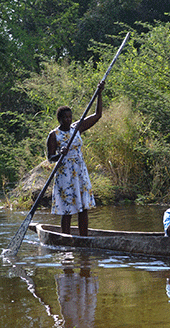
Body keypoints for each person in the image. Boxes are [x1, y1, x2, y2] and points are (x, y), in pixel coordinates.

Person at [47, 81, 105, 236]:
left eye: (70, 116)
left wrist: (99, 94)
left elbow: (98, 115)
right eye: (65, 117)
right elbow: (50, 157)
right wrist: (60, 154)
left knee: (83, 206)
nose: (68, 119)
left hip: (79, 171)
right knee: (67, 209)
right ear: (59, 119)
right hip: (64, 173)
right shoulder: (54, 135)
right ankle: (65, 239)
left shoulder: (77, 128)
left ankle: (83, 239)